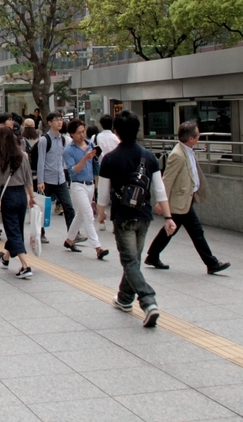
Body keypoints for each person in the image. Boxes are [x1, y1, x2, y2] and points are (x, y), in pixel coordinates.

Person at [96, 110, 177, 328]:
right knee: (134, 260)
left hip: (123, 216)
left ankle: (148, 301)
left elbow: (103, 193)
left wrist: (101, 212)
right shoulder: (149, 157)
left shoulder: (109, 159)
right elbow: (160, 190)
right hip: (144, 215)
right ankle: (124, 299)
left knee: (130, 261)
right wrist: (168, 217)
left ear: (116, 132)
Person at [145, 121, 230, 274]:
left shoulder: (188, 150)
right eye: (197, 135)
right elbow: (168, 179)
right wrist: (160, 201)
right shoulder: (177, 155)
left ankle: (152, 255)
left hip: (186, 199)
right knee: (196, 232)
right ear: (190, 138)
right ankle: (211, 263)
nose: (199, 137)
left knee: (171, 229)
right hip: (179, 201)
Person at [0, 126, 37, 279]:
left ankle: (25, 265)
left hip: (7, 195)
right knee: (17, 229)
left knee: (12, 230)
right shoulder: (22, 156)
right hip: (21, 195)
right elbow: (28, 178)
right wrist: (32, 197)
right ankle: (5, 258)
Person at [62, 120, 109, 260]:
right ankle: (98, 248)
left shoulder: (90, 144)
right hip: (78, 185)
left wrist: (94, 155)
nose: (82, 135)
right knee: (88, 215)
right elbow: (73, 171)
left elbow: (96, 162)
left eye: (83, 131)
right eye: (78, 133)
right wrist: (85, 158)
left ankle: (69, 240)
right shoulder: (68, 150)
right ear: (71, 134)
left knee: (81, 214)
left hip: (90, 184)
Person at [37, 112, 76, 228]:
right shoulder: (45, 140)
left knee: (68, 206)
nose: (60, 122)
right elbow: (41, 161)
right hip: (47, 179)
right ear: (49, 122)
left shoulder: (62, 139)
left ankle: (73, 233)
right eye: (56, 120)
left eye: (61, 119)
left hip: (60, 178)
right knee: (43, 207)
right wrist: (40, 181)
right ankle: (40, 233)